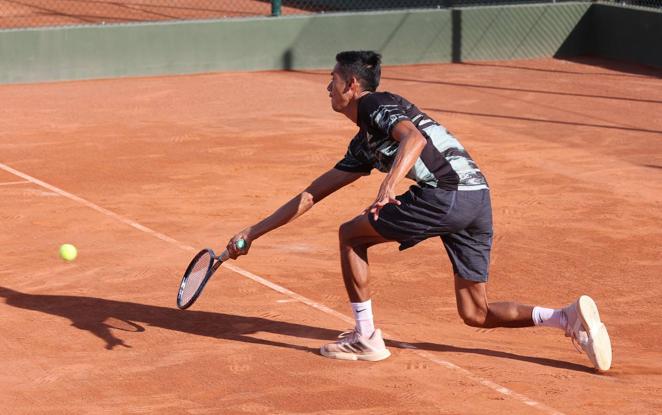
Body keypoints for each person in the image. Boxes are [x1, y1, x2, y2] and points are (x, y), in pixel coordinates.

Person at [225, 51, 612, 371]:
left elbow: (413, 136)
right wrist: (251, 234)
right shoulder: (364, 143)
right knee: (475, 312)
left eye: (333, 79)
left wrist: (389, 185)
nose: (328, 87)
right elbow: (312, 194)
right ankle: (565, 317)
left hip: (446, 193)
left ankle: (365, 337)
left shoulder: (375, 104)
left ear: (352, 86)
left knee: (350, 234)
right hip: (477, 197)